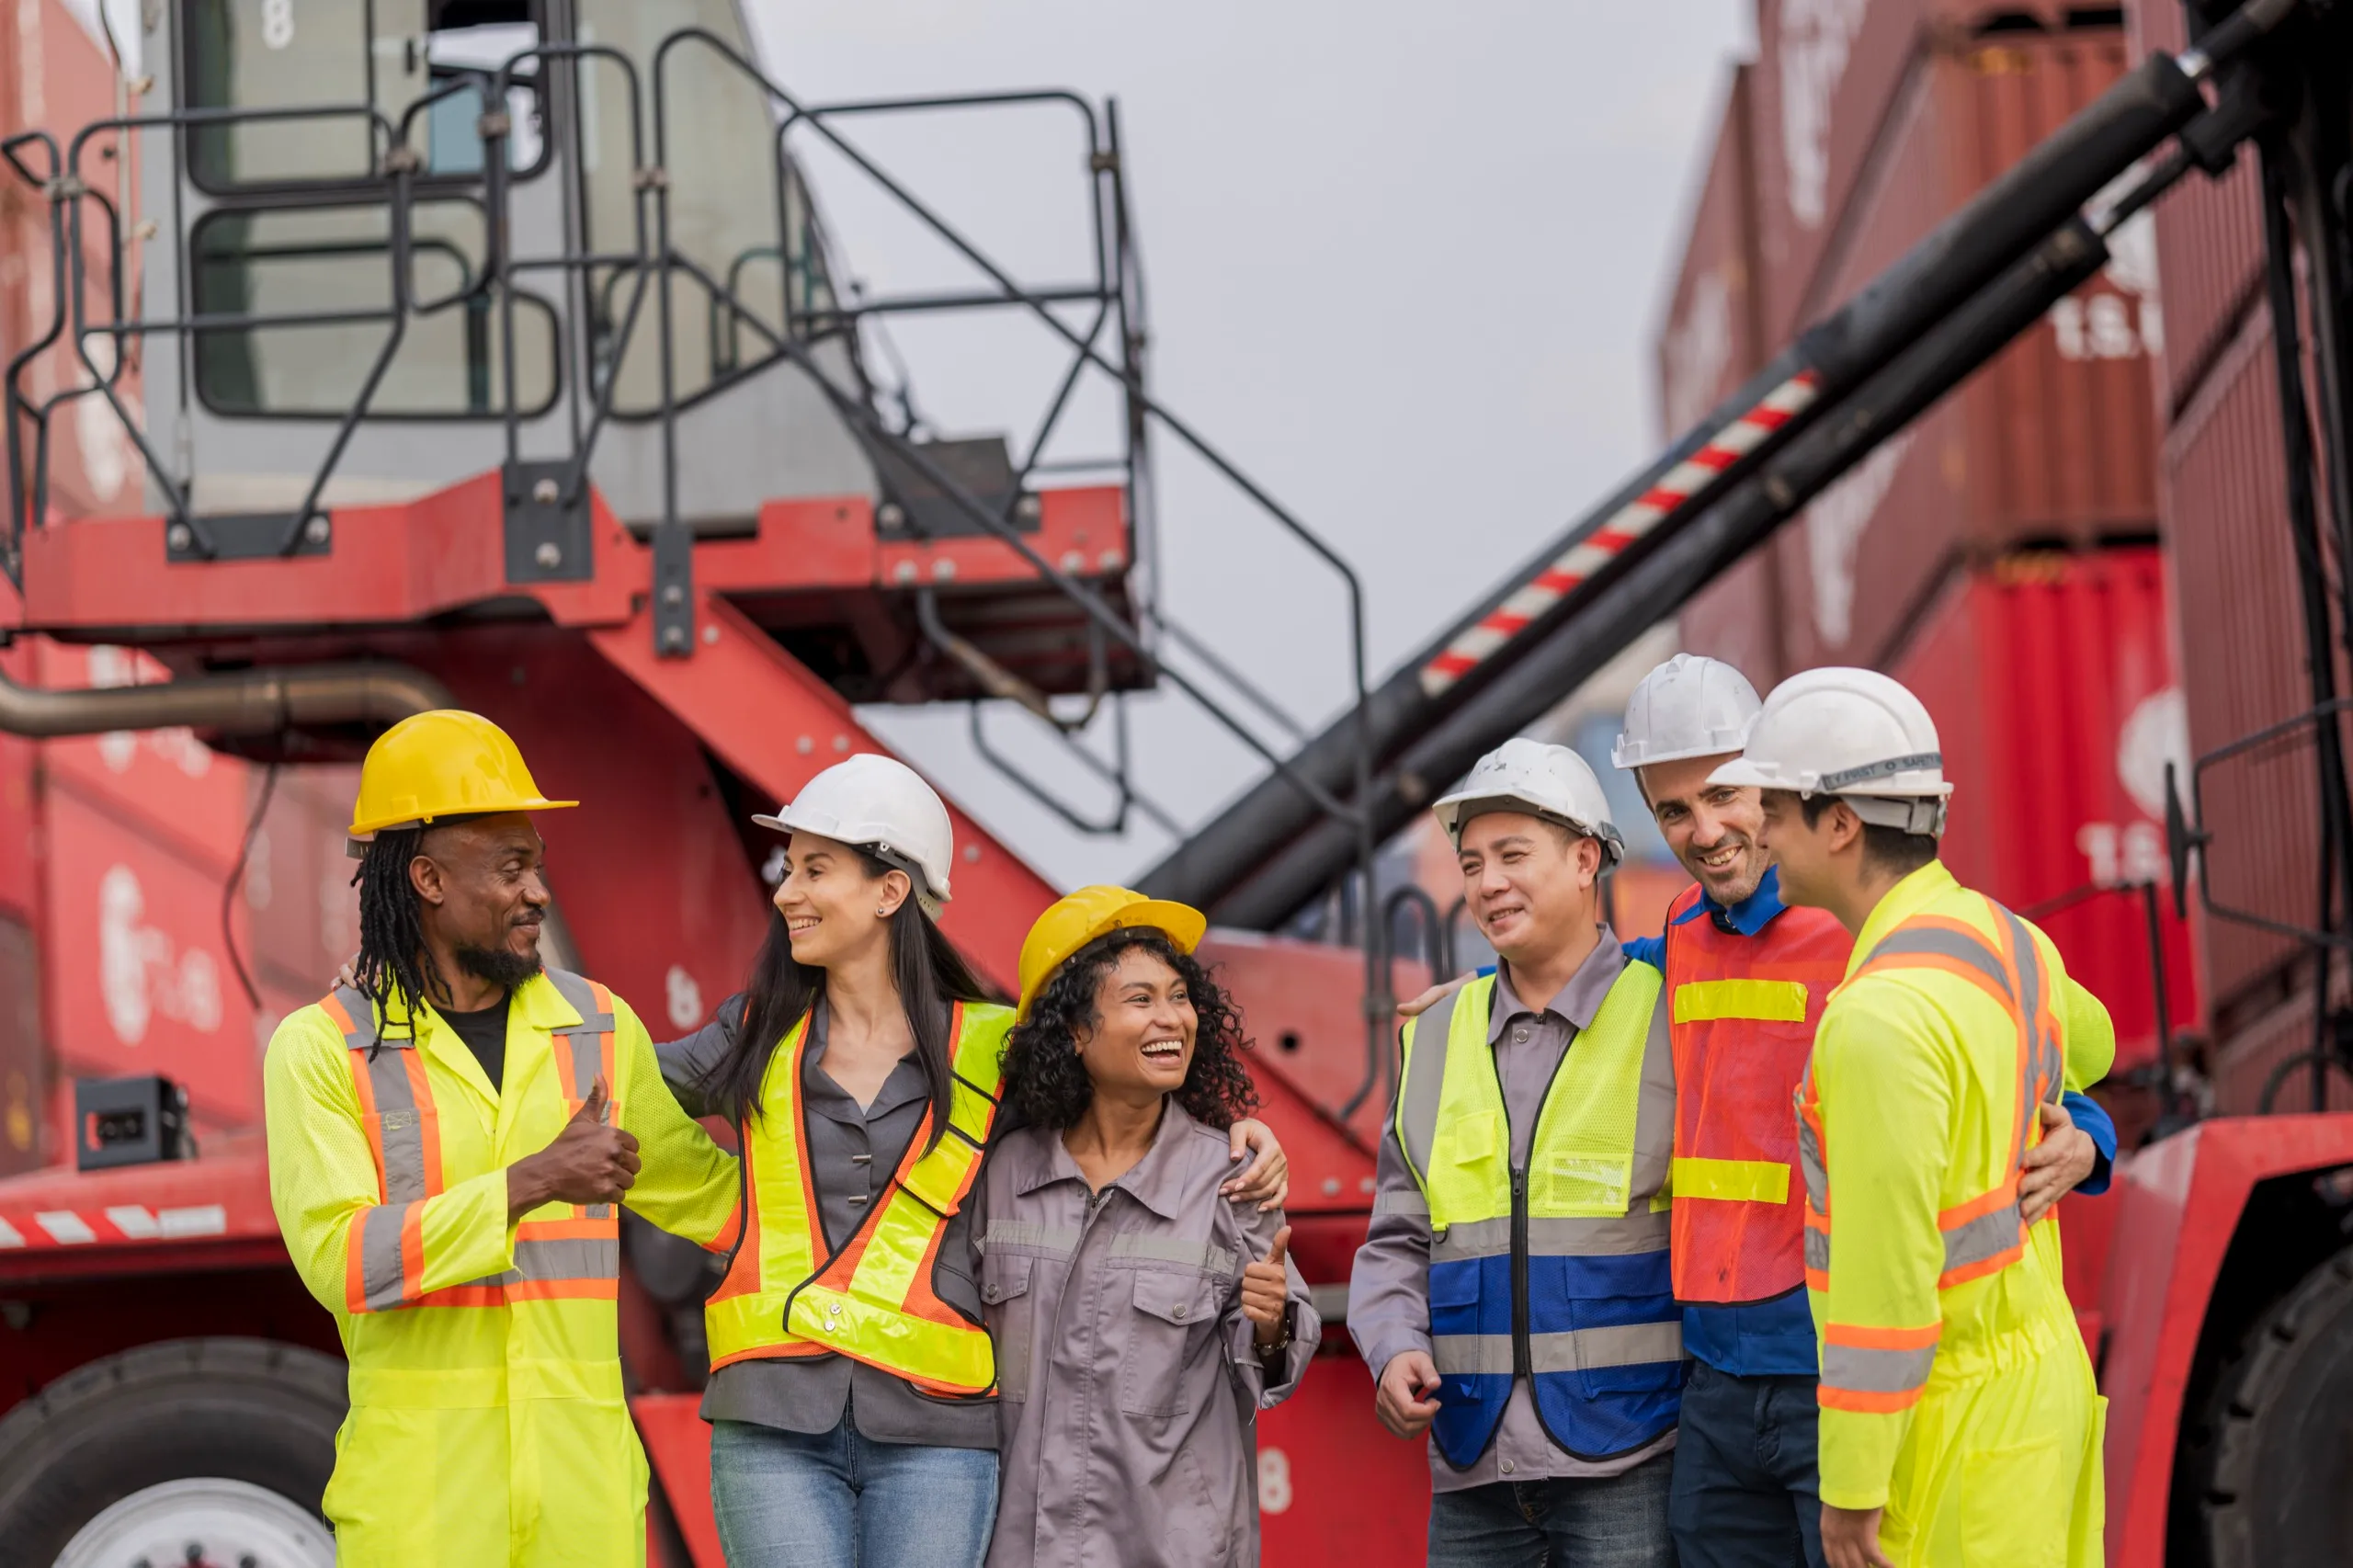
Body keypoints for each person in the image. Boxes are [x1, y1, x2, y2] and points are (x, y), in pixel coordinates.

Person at [653, 756, 1290, 1568]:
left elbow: (1120, 1102)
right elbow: (625, 1100)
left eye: (815, 869)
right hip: (771, 1419)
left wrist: (1234, 1131)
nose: (785, 892)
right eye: (790, 870)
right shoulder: (753, 1033)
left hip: (936, 1431)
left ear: (890, 892)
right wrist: (713, 1203)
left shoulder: (993, 1048)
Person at [1608, 655, 2115, 1568]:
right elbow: (1591, 975)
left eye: (1731, 793)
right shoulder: (1681, 932)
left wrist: (2088, 1134)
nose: (1712, 828)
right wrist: (1475, 992)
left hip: (1836, 1361)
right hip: (1718, 1372)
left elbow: (2047, 1046)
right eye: (1671, 809)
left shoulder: (1871, 935)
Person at [263, 710, 742, 1568]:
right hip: (427, 1510)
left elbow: (718, 1204)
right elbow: (342, 1260)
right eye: (512, 869)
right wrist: (531, 1182)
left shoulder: (597, 1026)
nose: (539, 893)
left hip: (581, 1503)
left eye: (539, 867)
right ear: (428, 879)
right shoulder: (321, 1050)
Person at [1351, 737, 1682, 1568]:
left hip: (1630, 1457)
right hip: (1475, 1465)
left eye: (1511, 855)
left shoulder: (1673, 1016)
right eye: (1471, 864)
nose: (1487, 883)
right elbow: (1396, 1235)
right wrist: (1392, 1347)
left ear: (1583, 860)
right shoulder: (1432, 1037)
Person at [979, 885, 1319, 1567]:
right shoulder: (1001, 1175)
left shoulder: (1231, 1176)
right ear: (1075, 1031)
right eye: (1140, 1000)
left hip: (1171, 1548)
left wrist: (1272, 1322)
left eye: (1179, 996)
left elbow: (1275, 1363)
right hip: (1019, 1549)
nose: (1173, 1019)